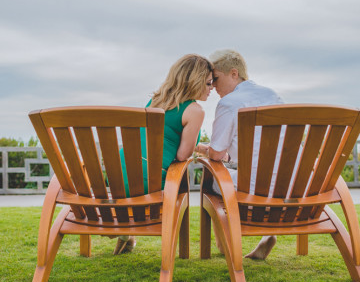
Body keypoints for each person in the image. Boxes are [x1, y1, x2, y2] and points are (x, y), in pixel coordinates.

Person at [113, 54, 213, 255]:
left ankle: (126, 235)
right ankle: (127, 235)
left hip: (120, 173)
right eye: (209, 82)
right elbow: (183, 154)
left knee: (140, 179)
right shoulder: (195, 111)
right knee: (175, 179)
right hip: (148, 181)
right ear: (196, 80)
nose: (212, 88)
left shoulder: (156, 100)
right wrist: (204, 148)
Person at [208, 49, 283, 260]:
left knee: (209, 177)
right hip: (289, 187)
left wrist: (208, 150)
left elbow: (216, 154)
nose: (213, 86)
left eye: (215, 79)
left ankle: (224, 245)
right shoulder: (274, 96)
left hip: (252, 189)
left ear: (234, 73)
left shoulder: (229, 103)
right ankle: (268, 236)